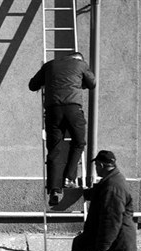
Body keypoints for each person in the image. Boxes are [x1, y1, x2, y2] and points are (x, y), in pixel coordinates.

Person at [59, 150, 137, 251]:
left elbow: (112, 220)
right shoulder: (112, 180)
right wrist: (85, 192)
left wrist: (104, 245)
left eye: (96, 165)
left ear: (101, 165)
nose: (96, 168)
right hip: (104, 233)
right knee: (80, 242)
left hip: (117, 239)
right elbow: (101, 193)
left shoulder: (113, 186)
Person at [29, 52, 96, 206]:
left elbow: (32, 86)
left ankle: (54, 189)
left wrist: (48, 81)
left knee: (54, 149)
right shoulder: (81, 65)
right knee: (79, 142)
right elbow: (92, 84)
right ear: (79, 59)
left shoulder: (49, 65)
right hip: (73, 109)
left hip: (53, 111)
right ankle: (69, 177)